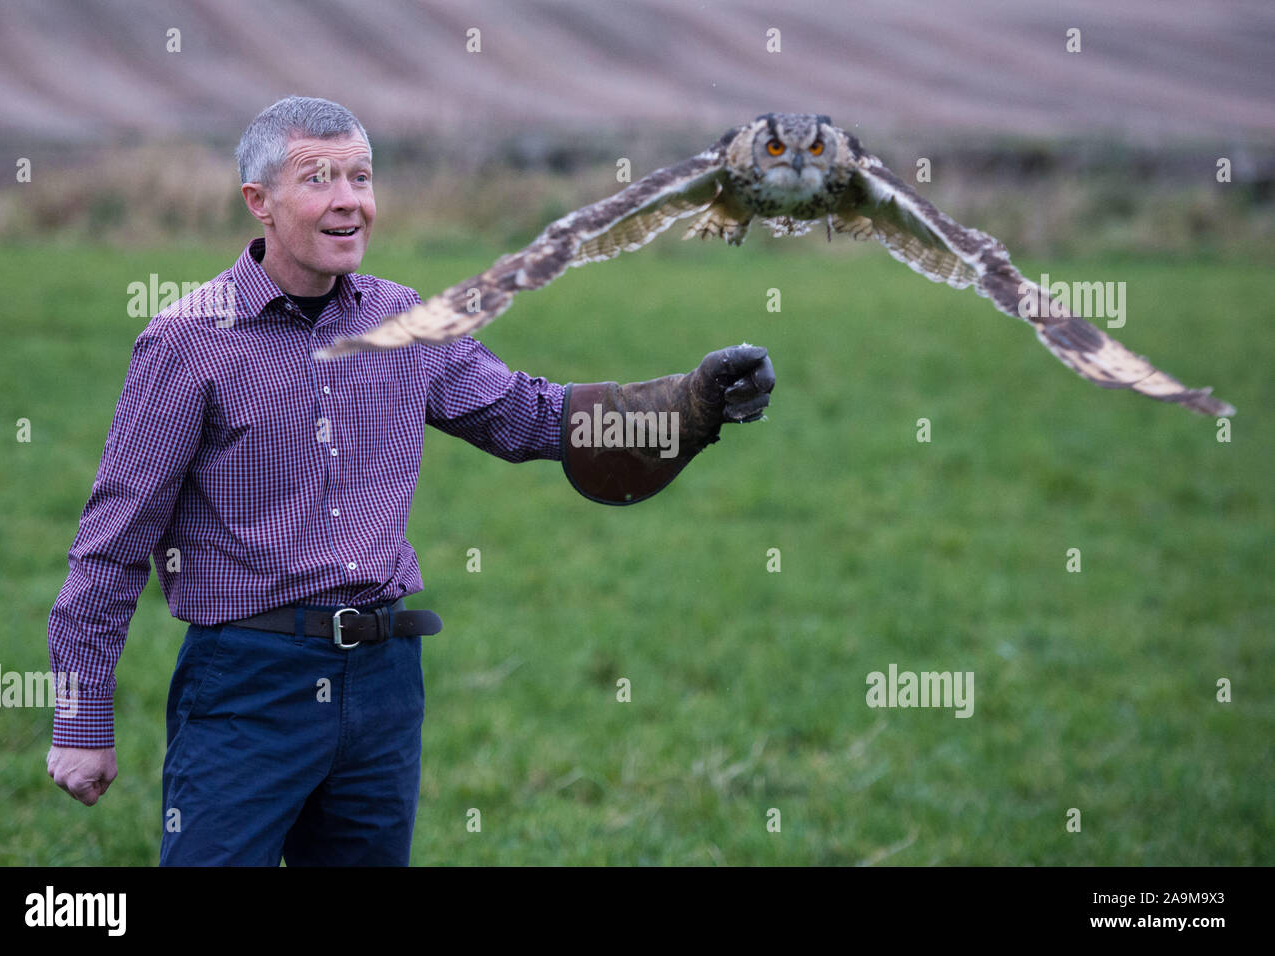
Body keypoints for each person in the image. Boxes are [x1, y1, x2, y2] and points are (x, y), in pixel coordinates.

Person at [45, 95, 775, 865]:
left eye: (361, 177)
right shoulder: (188, 342)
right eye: (318, 179)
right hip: (248, 688)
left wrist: (688, 409)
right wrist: (81, 718)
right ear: (258, 201)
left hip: (384, 683)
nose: (349, 201)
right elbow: (111, 543)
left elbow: (529, 415)